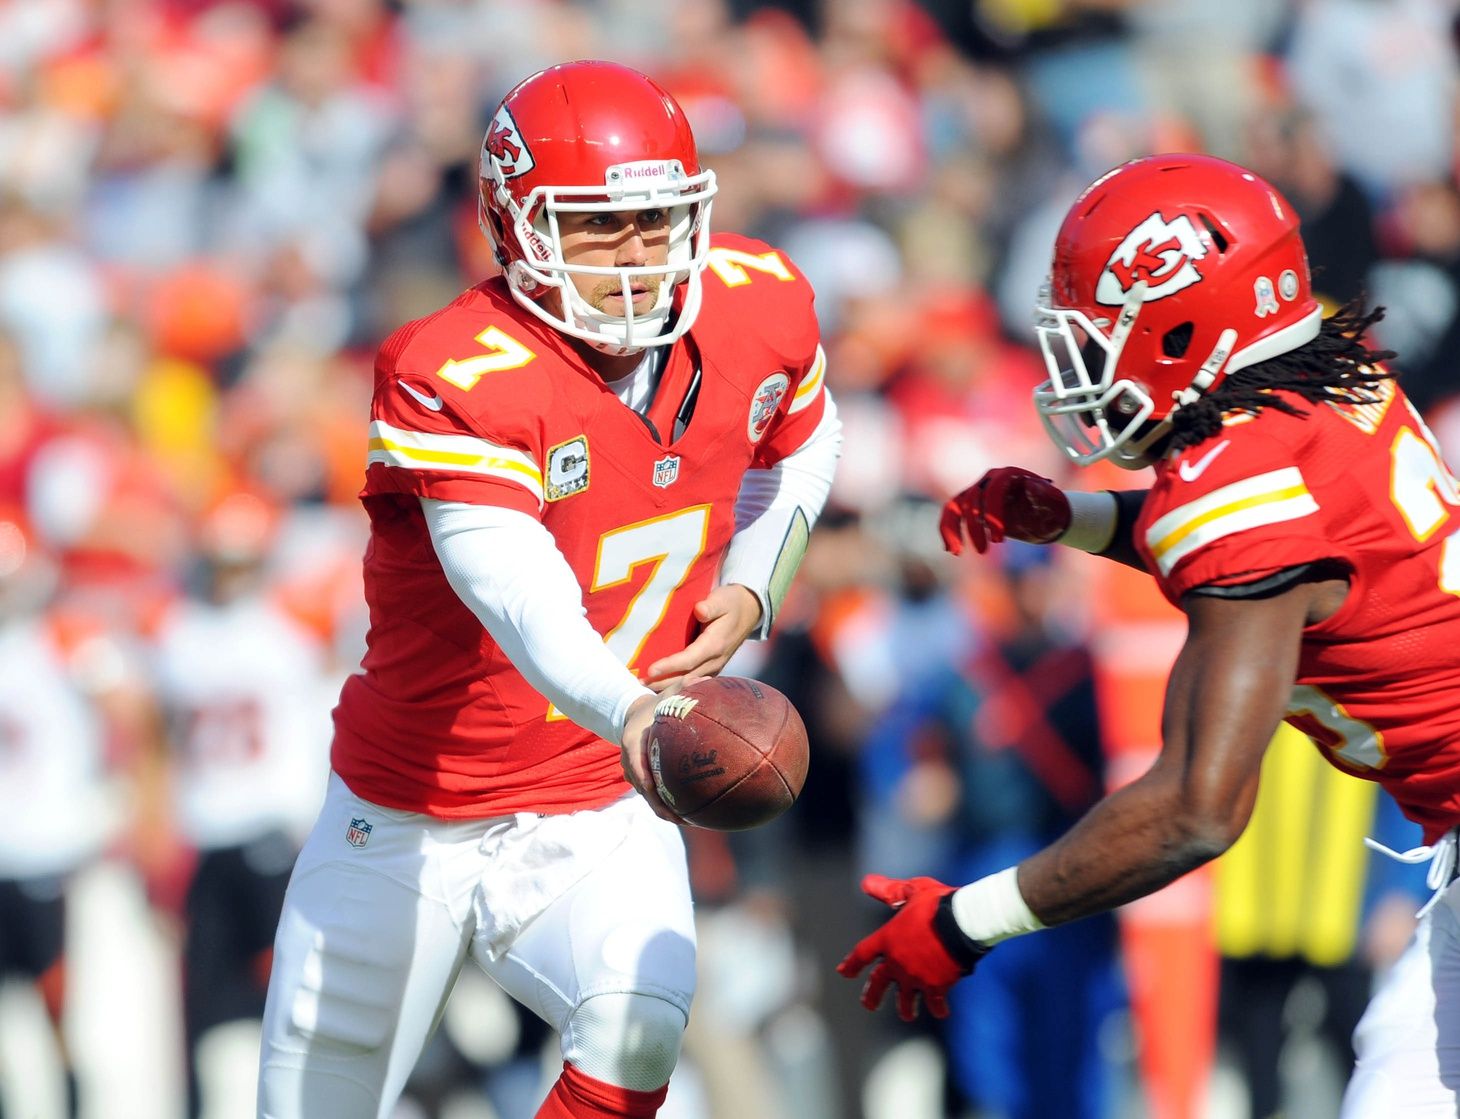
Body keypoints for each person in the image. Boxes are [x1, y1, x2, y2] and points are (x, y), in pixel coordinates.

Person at [256, 59, 841, 1119]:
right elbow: (515, 592)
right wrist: (635, 707)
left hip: (594, 803)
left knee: (638, 1026)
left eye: (656, 219)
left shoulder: (757, 303)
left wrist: (753, 587)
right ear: (512, 227)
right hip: (409, 812)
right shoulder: (454, 371)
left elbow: (803, 439)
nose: (632, 255)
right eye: (591, 226)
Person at [835, 152, 1460, 1117]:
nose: (1079, 365)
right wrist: (1073, 521)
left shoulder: (1237, 491)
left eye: (1098, 334)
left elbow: (1196, 808)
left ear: (1183, 323)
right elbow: (1270, 555)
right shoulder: (1326, 372)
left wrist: (965, 921)